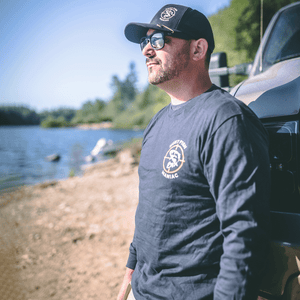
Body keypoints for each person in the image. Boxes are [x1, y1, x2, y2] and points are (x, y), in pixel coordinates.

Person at [117, 4, 270, 300]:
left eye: (160, 40)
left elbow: (245, 234)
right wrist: (131, 269)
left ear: (198, 49)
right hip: (143, 290)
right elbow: (151, 210)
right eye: (145, 41)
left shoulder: (226, 120)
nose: (147, 50)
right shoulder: (157, 123)